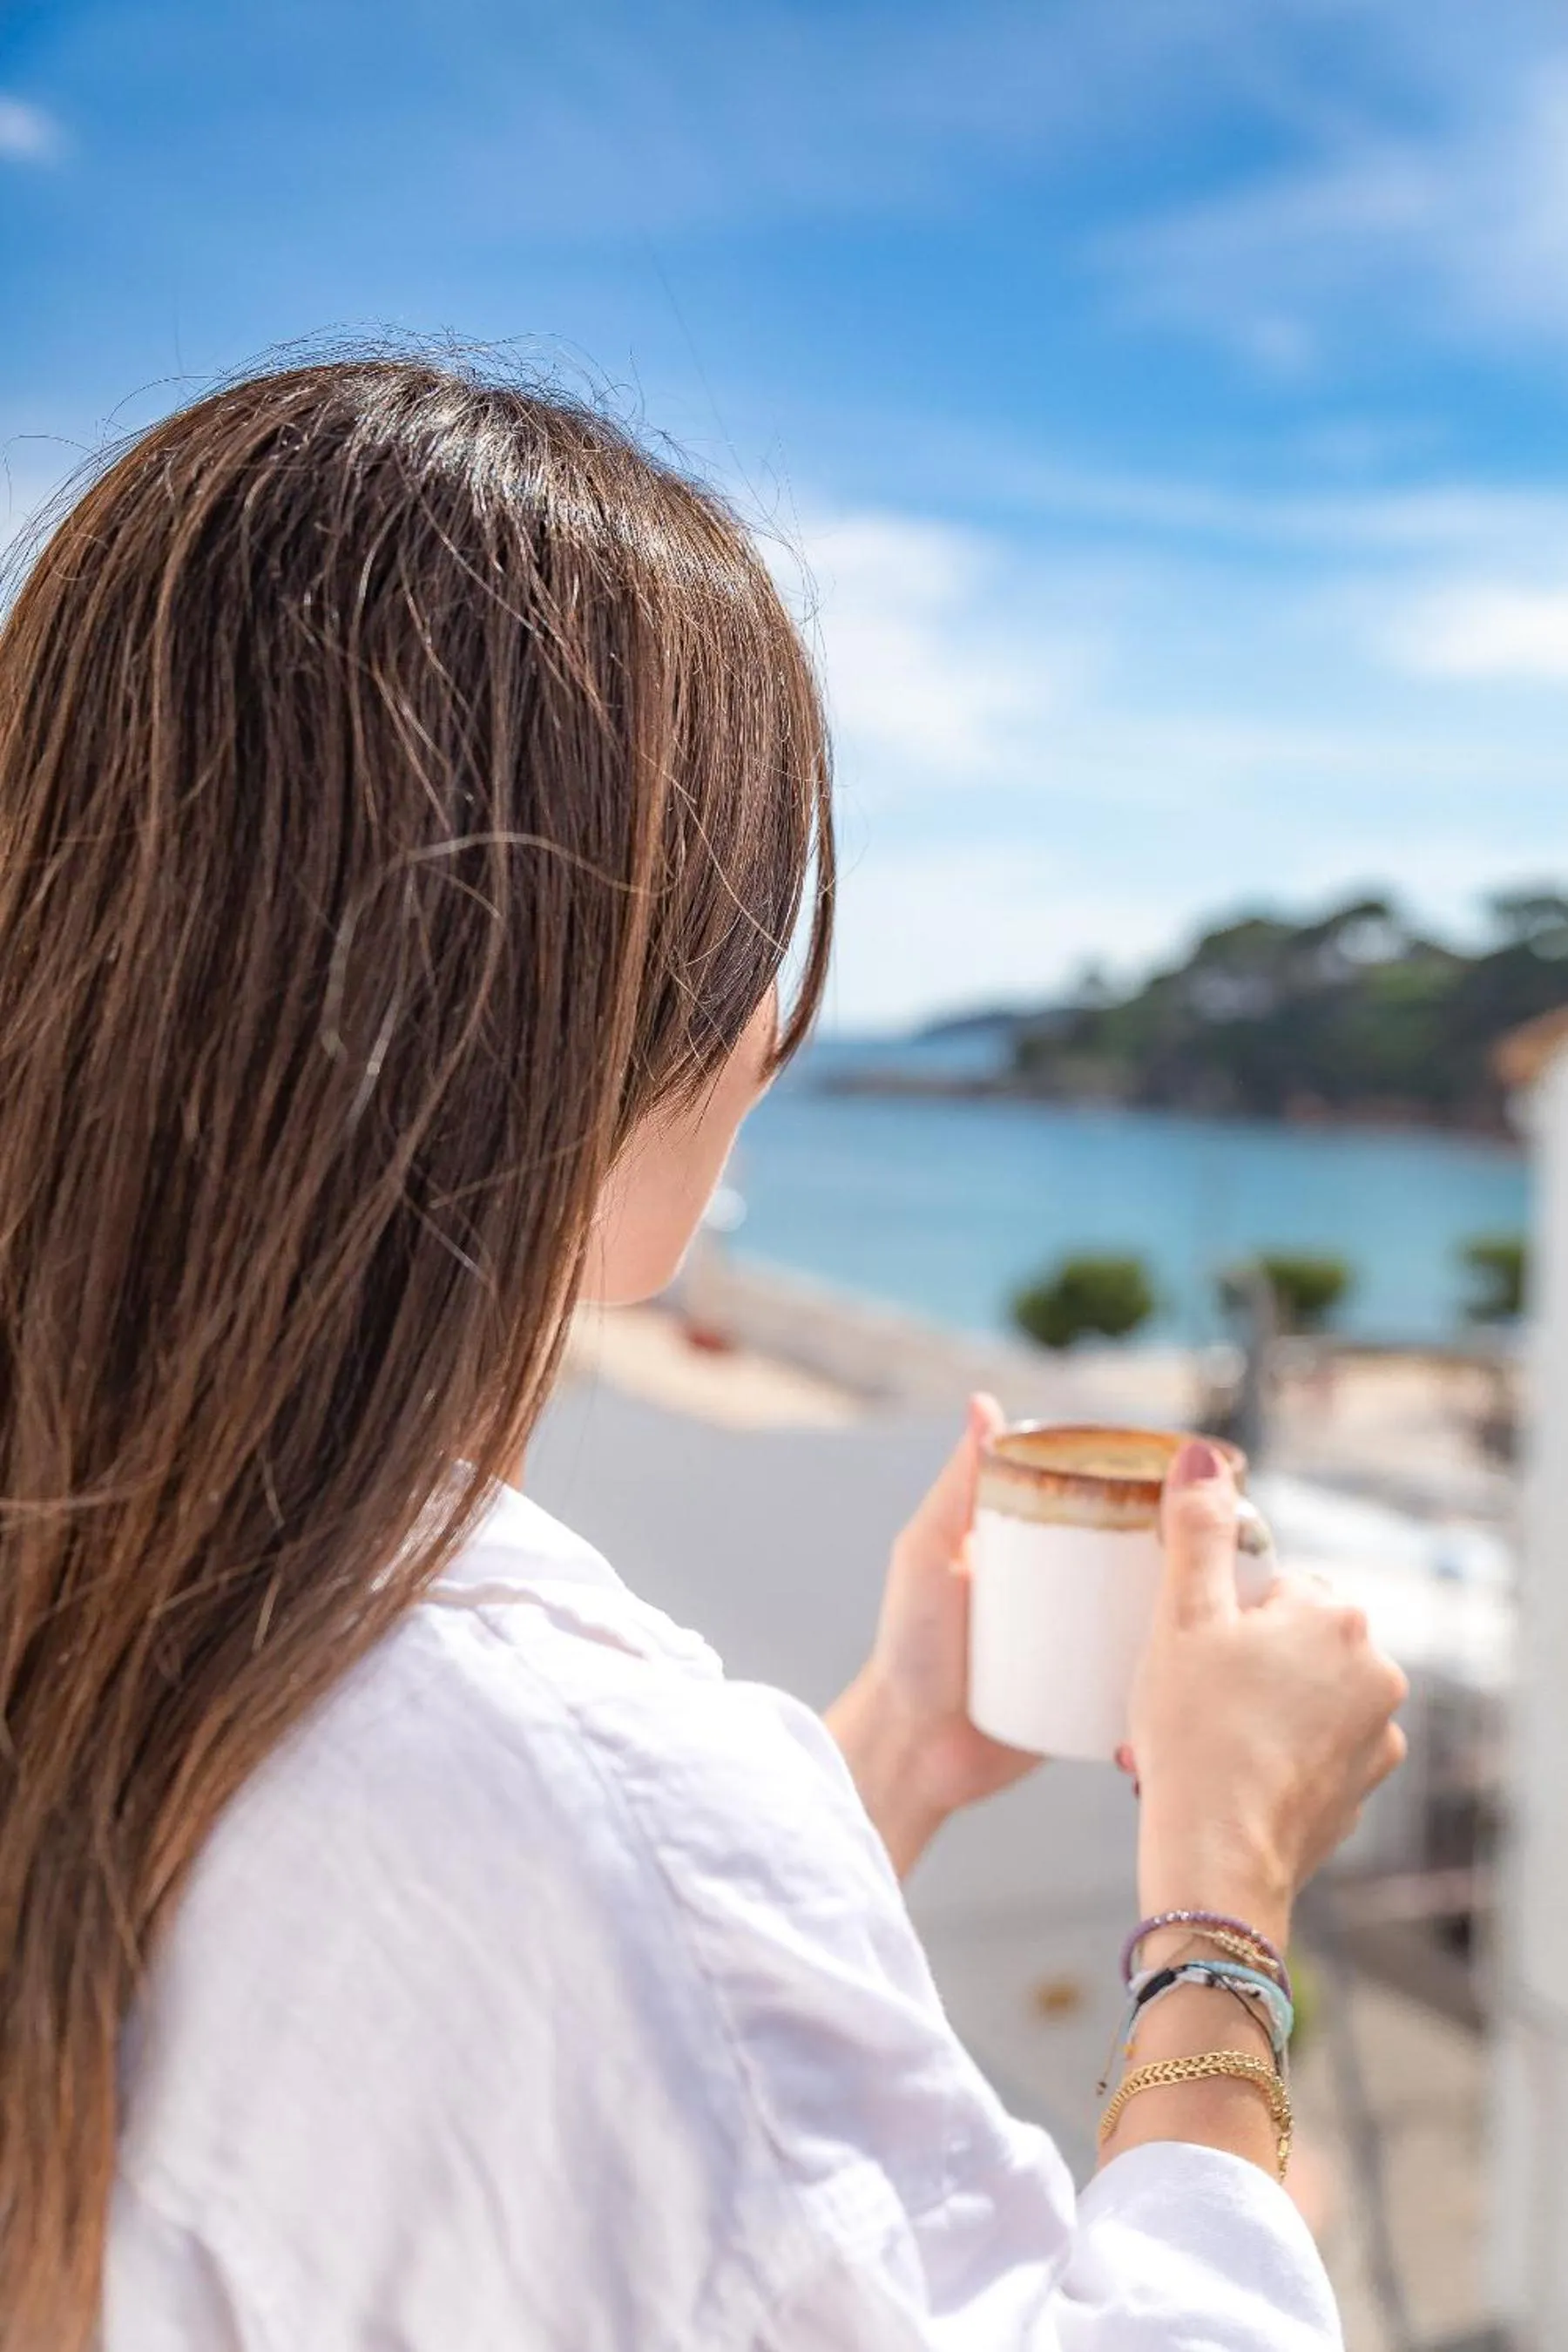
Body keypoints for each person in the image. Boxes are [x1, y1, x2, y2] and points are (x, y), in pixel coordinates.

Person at [0, 356, 1407, 2351]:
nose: (776, 1025)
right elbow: (559, 1908)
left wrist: (892, 1764)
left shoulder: (164, 1605)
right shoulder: (559, 1794)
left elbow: (503, 2021)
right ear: (567, 996)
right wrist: (1222, 1902)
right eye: (750, 927)